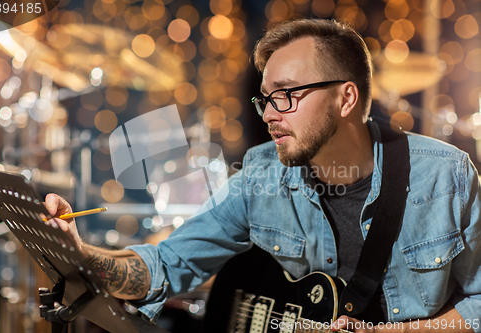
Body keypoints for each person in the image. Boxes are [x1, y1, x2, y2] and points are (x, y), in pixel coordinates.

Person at [44, 18, 481, 332]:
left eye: (287, 96)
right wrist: (80, 253)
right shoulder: (261, 174)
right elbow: (168, 263)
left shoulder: (446, 176)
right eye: (266, 99)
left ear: (346, 98)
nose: (270, 114)